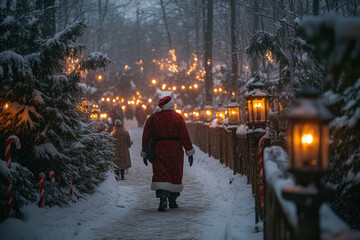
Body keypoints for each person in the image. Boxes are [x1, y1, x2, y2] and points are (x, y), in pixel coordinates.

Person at [141, 96, 195, 212]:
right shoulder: (178, 118)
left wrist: (144, 152)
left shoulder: (152, 118)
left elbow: (146, 136)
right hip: (175, 149)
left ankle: (163, 198)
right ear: (172, 105)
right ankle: (172, 199)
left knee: (161, 173)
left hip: (158, 149)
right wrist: (189, 152)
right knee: (175, 173)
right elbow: (184, 136)